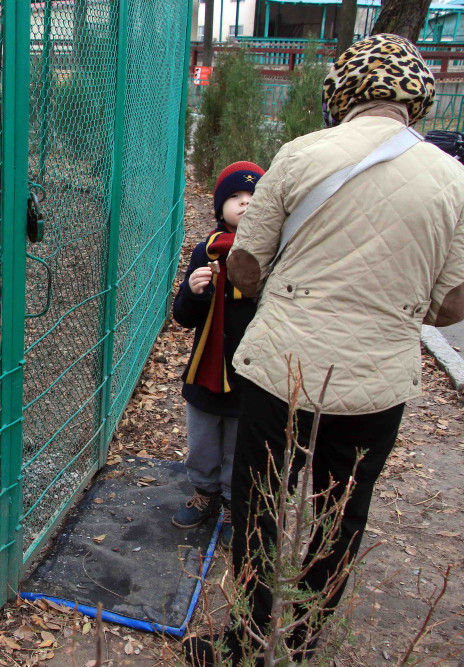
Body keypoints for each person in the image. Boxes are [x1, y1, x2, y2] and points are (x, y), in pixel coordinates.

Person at [185, 33, 464, 666]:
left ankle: (245, 642)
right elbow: (450, 306)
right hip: (377, 378)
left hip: (283, 366)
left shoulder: (301, 154)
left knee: (259, 501)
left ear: (341, 91)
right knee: (342, 513)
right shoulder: (452, 178)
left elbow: (246, 263)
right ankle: (304, 641)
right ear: (417, 99)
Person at [171, 161, 264, 550]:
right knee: (204, 438)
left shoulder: (272, 254)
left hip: (251, 371)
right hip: (207, 369)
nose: (245, 203)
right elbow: (182, 317)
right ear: (219, 206)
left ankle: (231, 504)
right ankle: (205, 493)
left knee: (240, 444)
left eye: (253, 196)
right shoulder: (205, 252)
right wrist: (194, 292)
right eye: (235, 196)